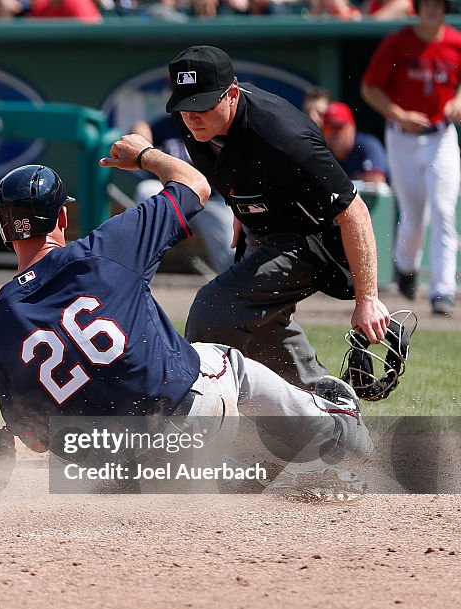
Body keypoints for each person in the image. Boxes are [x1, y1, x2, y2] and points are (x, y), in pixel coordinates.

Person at [0, 147, 371, 499]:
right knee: (222, 361)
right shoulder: (105, 249)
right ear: (62, 215)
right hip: (191, 425)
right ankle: (338, 428)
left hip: (118, 473)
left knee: (84, 446)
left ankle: (204, 483)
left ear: (4, 228)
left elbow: (36, 441)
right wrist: (145, 155)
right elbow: (194, 185)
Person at [165, 45, 390, 389]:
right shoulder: (197, 123)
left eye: (202, 104)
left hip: (314, 240)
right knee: (260, 329)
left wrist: (368, 300)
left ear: (233, 95)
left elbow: (354, 210)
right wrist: (240, 210)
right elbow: (232, 170)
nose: (192, 116)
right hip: (267, 230)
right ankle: (326, 415)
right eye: (184, 106)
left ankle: (205, 409)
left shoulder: (284, 135)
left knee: (213, 309)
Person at [361, 0, 461, 316]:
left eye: (438, 5)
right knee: (415, 216)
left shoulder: (455, 41)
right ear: (418, 8)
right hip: (402, 136)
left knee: (444, 211)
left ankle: (443, 289)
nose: (433, 10)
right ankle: (406, 267)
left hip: (441, 136)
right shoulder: (399, 42)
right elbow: (369, 88)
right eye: (427, 4)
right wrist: (398, 113)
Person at [129, 114, 235, 273]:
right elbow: (141, 134)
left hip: (211, 201)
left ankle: (233, 293)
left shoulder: (214, 124)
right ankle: (137, 269)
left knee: (231, 258)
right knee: (146, 190)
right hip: (174, 198)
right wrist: (139, 128)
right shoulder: (167, 124)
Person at [322, 101, 390, 184]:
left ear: (352, 128)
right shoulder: (321, 152)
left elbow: (376, 179)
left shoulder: (367, 145)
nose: (333, 133)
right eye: (328, 128)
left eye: (338, 127)